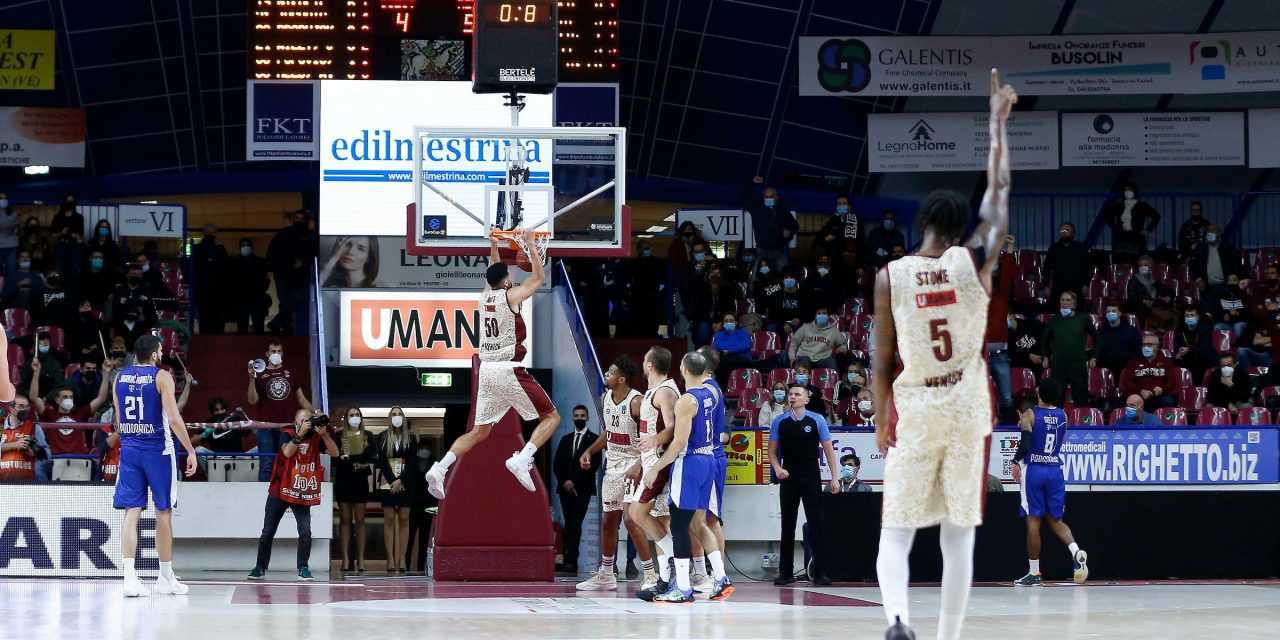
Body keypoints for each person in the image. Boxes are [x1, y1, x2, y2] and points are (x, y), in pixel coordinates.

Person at [872, 69, 1016, 640]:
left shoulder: (891, 276)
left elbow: (881, 362)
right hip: (964, 405)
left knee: (896, 530)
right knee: (959, 535)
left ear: (923, 223)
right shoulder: (975, 260)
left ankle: (897, 621)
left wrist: (882, 413)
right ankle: (948, 638)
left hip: (915, 404)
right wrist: (996, 125)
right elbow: (999, 195)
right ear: (960, 227)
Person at [425, 232, 560, 498]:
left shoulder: (483, 297)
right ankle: (523, 459)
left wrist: (494, 245)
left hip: (486, 372)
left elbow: (492, 271)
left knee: (479, 431)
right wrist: (532, 245)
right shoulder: (511, 297)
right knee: (551, 417)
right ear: (507, 280)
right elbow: (539, 278)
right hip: (507, 369)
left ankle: (440, 469)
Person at [642, 352, 734, 603]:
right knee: (698, 523)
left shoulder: (686, 401)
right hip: (709, 460)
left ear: (683, 369)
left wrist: (655, 467)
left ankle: (682, 588)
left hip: (690, 461)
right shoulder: (713, 392)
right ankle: (721, 578)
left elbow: (679, 442)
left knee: (679, 525)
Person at [113, 334, 198, 597]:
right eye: (160, 350)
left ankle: (129, 578)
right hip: (158, 451)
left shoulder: (119, 377)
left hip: (129, 450)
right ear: (153, 354)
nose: (161, 354)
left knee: (131, 512)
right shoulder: (162, 376)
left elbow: (118, 421)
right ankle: (165, 577)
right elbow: (173, 418)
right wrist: (191, 449)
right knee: (164, 512)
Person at [576, 357, 655, 590]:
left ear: (621, 379)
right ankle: (607, 574)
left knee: (632, 520)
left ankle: (650, 574)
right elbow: (609, 432)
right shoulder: (604, 399)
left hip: (633, 466)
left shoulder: (637, 402)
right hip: (612, 467)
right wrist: (590, 450)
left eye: (610, 372)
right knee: (609, 520)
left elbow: (652, 437)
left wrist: (640, 464)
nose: (606, 375)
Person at [1010, 378, 1089, 586]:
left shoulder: (1030, 414)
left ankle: (1034, 573)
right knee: (1055, 519)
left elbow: (1026, 442)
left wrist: (1015, 460)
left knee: (1033, 521)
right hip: (1055, 470)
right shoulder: (1063, 415)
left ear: (1038, 393)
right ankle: (1076, 551)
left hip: (1034, 470)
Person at [247, 408, 339, 581]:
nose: (309, 424)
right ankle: (260, 566)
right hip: (280, 488)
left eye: (310, 420)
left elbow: (336, 453)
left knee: (305, 531)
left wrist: (325, 435)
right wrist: (301, 434)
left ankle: (303, 567)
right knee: (268, 531)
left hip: (301, 490)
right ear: (297, 422)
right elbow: (287, 452)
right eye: (305, 421)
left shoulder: (316, 437)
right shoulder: (287, 433)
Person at [768, 384, 840, 586]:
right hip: (788, 476)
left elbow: (829, 451)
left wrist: (834, 478)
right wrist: (777, 468)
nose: (792, 397)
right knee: (787, 525)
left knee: (816, 524)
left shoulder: (816, 420)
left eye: (797, 394)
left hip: (811, 475)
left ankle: (820, 572)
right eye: (791, 394)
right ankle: (785, 572)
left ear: (806, 399)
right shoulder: (780, 422)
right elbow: (771, 451)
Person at [629, 347, 680, 601]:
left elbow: (673, 428)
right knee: (660, 521)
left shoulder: (665, 392)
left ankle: (675, 562)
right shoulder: (653, 391)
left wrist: (654, 442)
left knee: (637, 512)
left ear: (649, 365)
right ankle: (665, 578)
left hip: (660, 461)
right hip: (650, 461)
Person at [247, 341, 313, 480]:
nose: (276, 354)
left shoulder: (292, 374)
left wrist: (317, 412)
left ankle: (284, 496)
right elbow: (252, 400)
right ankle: (264, 498)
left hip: (287, 426)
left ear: (282, 353)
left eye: (279, 351)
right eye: (273, 351)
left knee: (287, 462)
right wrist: (252, 379)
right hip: (265, 426)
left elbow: (301, 399)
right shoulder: (260, 374)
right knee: (266, 465)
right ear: (267, 354)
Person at [554, 404, 599, 574]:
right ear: (573, 417)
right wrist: (565, 480)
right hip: (565, 489)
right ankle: (569, 559)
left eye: (582, 416)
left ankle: (572, 560)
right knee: (568, 523)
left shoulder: (594, 440)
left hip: (583, 489)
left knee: (575, 523)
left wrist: (575, 482)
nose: (579, 418)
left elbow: (593, 465)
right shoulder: (565, 439)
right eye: (576, 415)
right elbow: (557, 463)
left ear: (587, 418)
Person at [332, 406, 374, 574]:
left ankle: (361, 559)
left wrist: (352, 458)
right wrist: (345, 458)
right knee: (345, 520)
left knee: (361, 519)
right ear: (346, 418)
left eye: (357, 415)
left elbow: (371, 456)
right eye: (351, 415)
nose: (354, 417)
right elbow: (335, 458)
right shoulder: (339, 435)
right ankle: (345, 559)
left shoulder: (368, 435)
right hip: (343, 480)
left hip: (360, 481)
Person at [376, 406, 417, 574]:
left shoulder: (411, 438)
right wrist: (393, 481)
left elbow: (413, 461)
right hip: (388, 480)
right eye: (394, 414)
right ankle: (390, 560)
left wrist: (401, 480)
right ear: (389, 418)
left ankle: (402, 559)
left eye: (399, 414)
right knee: (389, 519)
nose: (397, 417)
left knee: (405, 518)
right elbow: (382, 462)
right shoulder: (382, 437)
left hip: (406, 481)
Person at [266, 209, 317, 334]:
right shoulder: (284, 233)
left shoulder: (310, 236)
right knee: (285, 301)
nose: (299, 221)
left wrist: (303, 263)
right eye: (297, 219)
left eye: (302, 219)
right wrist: (270, 269)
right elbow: (272, 251)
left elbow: (314, 254)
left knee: (295, 300)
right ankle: (285, 328)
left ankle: (278, 323)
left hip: (300, 276)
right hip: (283, 274)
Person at [1042, 291, 1097, 407]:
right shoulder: (1054, 319)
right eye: (1062, 300)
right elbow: (1044, 339)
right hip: (1058, 367)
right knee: (1056, 402)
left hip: (1078, 367)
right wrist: (1046, 356)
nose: (1064, 303)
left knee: (1081, 401)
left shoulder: (1083, 318)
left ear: (1074, 304)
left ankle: (1081, 425)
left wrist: (1094, 357)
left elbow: (1097, 338)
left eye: (1068, 300)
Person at [987, 240, 1017, 423]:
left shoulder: (1002, 296)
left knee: (1007, 400)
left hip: (1000, 356)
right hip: (980, 357)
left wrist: (1010, 250)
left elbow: (1007, 274)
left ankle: (1007, 430)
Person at [1191, 224, 1247, 315]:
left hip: (1226, 288)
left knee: (1225, 315)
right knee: (1207, 312)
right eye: (1208, 231)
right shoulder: (1200, 248)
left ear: (1220, 233)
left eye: (1213, 231)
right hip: (1207, 288)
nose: (1210, 233)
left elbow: (1237, 268)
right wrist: (1198, 279)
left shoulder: (1228, 248)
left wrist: (1234, 283)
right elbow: (1193, 267)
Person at [744, 177, 799, 270]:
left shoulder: (782, 209)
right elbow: (744, 199)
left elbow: (795, 225)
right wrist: (752, 183)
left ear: (776, 197)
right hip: (762, 250)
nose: (769, 198)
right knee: (757, 278)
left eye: (771, 196)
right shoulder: (756, 208)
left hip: (778, 250)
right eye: (766, 197)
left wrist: (789, 232)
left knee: (784, 273)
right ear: (763, 197)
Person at [1119, 333, 1177, 413]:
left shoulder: (1166, 361)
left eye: (1149, 345)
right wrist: (1140, 391)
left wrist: (1162, 389)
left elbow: (1172, 382)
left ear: (1157, 347)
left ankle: (1166, 423)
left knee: (1168, 402)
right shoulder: (1133, 361)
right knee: (1135, 403)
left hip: (1161, 395)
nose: (1146, 347)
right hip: (1141, 395)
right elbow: (1128, 383)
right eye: (1144, 345)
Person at [1104, 183, 1160, 263]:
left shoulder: (1142, 206)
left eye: (1130, 190)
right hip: (1121, 238)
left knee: (1137, 262)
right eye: (1126, 190)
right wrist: (1116, 228)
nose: (1127, 192)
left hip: (1137, 238)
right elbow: (1107, 216)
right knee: (1120, 262)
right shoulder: (1119, 206)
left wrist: (1148, 230)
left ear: (1135, 192)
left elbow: (1156, 216)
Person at [0, 394, 46, 482]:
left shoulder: (34, 427)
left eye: (27, 407)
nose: (24, 410)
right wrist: (14, 445)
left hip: (27, 482)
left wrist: (35, 453)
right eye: (21, 406)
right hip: (2, 482)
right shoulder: (0, 425)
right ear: (11, 409)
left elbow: (46, 453)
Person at [192, 223, 228, 335]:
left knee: (218, 320)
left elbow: (225, 269)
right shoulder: (197, 250)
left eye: (212, 232)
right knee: (205, 320)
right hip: (203, 291)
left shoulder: (220, 250)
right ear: (203, 233)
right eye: (208, 232)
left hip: (218, 292)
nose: (210, 235)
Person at [231, 238, 271, 334]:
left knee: (258, 328)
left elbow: (265, 280)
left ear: (251, 247)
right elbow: (232, 281)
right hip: (241, 298)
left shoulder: (260, 262)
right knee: (242, 328)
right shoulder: (234, 263)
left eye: (247, 245)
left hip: (257, 297)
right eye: (243, 245)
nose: (245, 248)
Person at [1043, 222, 1091, 304]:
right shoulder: (1054, 248)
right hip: (1057, 286)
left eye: (1066, 230)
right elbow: (1046, 268)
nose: (1063, 232)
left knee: (1076, 310)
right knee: (1056, 310)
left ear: (1072, 233)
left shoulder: (1080, 247)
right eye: (1061, 230)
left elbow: (1087, 267)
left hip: (1076, 286)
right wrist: (1046, 286)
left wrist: (1085, 284)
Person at [627, 240, 666, 339]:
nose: (648, 250)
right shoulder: (633, 265)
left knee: (653, 325)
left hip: (654, 298)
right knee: (639, 325)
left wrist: (661, 293)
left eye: (649, 248)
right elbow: (631, 282)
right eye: (645, 248)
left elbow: (664, 280)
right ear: (639, 250)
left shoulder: (658, 263)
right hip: (638, 299)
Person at [1126, 255, 1177, 331]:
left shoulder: (1154, 280)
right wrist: (1143, 300)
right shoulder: (1134, 280)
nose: (1143, 267)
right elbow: (1131, 297)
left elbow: (1168, 291)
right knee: (1142, 309)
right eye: (1141, 265)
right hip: (1139, 306)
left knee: (1173, 312)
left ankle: (1164, 331)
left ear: (1151, 267)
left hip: (1154, 305)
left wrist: (1169, 296)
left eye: (1146, 265)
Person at [1097, 300, 1141, 378]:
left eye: (1113, 311)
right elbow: (1098, 352)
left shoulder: (1132, 331)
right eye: (1108, 312)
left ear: (1120, 313)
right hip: (1107, 369)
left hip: (1127, 368)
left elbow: (1138, 351)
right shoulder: (1101, 331)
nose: (1110, 313)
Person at [1174, 307, 1216, 384]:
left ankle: (1197, 387)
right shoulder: (1180, 329)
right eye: (1187, 315)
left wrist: (1189, 349)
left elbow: (1204, 348)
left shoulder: (1205, 328)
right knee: (1175, 360)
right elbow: (1177, 345)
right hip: (1187, 356)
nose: (1189, 317)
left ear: (1198, 317)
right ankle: (1181, 386)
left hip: (1203, 357)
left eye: (1192, 315)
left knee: (1197, 358)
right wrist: (1178, 353)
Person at [711, 311, 752, 386]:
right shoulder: (719, 334)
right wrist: (737, 346)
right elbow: (718, 346)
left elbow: (746, 345)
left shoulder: (743, 333)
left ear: (736, 322)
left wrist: (729, 351)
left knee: (722, 363)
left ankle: (722, 389)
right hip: (726, 358)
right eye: (726, 321)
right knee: (721, 363)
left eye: (731, 321)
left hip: (742, 358)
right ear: (723, 323)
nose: (728, 323)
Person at [1207, 353, 1252, 417]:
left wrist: (1231, 385)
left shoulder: (1242, 373)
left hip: (1239, 400)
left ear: (1235, 365)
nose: (1226, 368)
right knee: (1208, 408)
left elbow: (1245, 397)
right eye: (1223, 366)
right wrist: (1228, 404)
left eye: (1229, 365)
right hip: (1222, 401)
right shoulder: (1216, 374)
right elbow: (1211, 397)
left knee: (1246, 407)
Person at [1009, 313, 1049, 377]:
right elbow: (1012, 357)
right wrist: (1028, 356)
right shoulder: (1004, 337)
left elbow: (1050, 334)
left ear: (1012, 316)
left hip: (1046, 363)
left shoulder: (1030, 323)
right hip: (1025, 372)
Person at [1213, 273, 1250, 338]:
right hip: (1227, 325)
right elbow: (1216, 314)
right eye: (1229, 281)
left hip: (1240, 324)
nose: (1231, 283)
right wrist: (1223, 316)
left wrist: (1238, 313)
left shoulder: (1245, 296)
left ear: (1239, 282)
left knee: (1237, 326)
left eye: (1234, 280)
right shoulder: (1221, 297)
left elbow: (1250, 316)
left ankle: (1236, 347)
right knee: (1217, 327)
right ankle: (1222, 347)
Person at [0, 193, 17, 278]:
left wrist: (15, 229)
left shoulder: (13, 213)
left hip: (11, 245)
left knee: (11, 271)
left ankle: (9, 289)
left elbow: (17, 228)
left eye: (5, 199)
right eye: (1, 198)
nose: (3, 201)